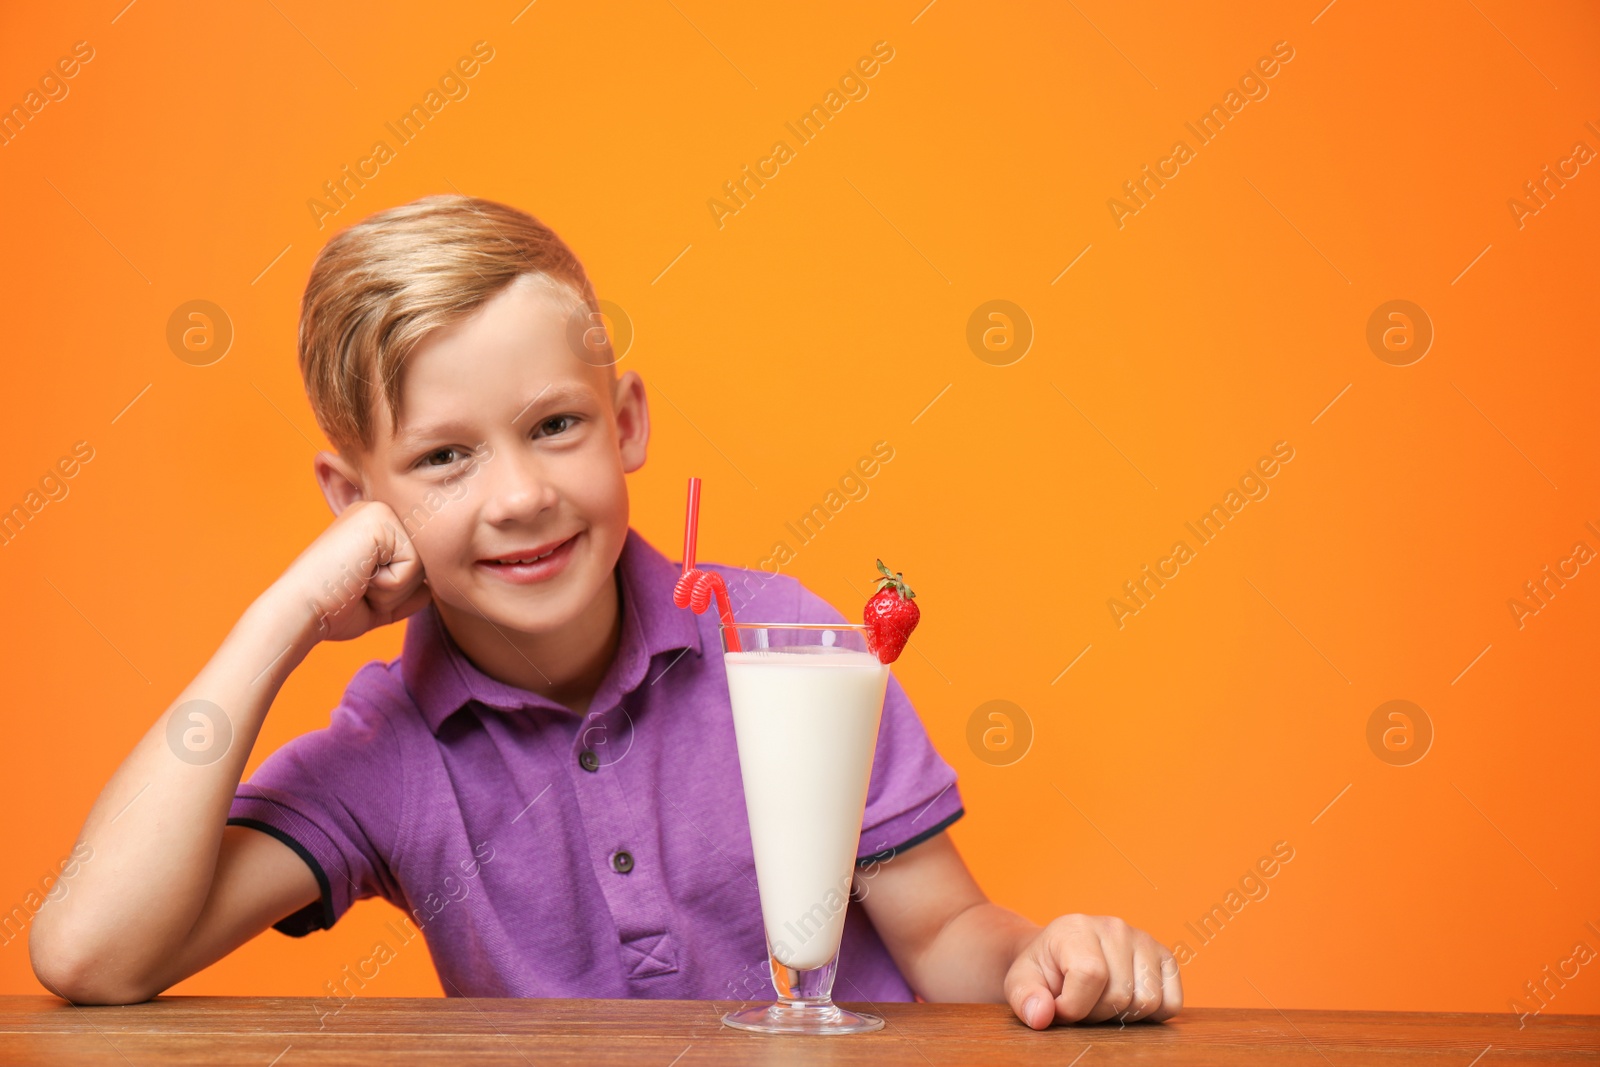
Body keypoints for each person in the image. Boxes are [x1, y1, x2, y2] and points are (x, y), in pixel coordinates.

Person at [29, 195, 1181, 1028]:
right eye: (442, 457)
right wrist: (282, 612)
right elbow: (90, 950)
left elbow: (942, 935)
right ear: (353, 502)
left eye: (555, 426)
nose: (520, 494)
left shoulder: (786, 649)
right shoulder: (389, 750)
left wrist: (1052, 957)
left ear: (625, 421)